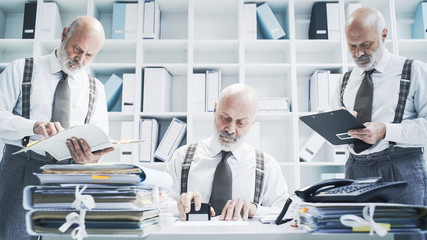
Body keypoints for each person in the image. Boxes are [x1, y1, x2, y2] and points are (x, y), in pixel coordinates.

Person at [0, 16, 114, 240]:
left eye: (89, 55)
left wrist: (91, 156)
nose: (79, 59)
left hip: (72, 177)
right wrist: (33, 126)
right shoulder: (21, 69)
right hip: (21, 169)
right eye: (76, 48)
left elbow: (99, 138)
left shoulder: (96, 88)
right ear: (64, 35)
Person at [332, 7, 427, 206]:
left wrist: (386, 130)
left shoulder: (415, 71)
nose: (358, 53)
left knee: (406, 235)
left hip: (401, 169)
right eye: (351, 46)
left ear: (384, 34)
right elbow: (338, 136)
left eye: (365, 44)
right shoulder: (344, 80)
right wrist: (339, 123)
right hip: (355, 169)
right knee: (358, 235)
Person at [166, 83, 289, 221]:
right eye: (225, 118)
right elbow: (158, 207)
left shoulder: (267, 166)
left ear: (253, 122)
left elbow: (286, 213)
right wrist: (178, 205)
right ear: (214, 110)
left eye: (241, 123)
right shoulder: (182, 157)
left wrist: (255, 209)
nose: (230, 129)